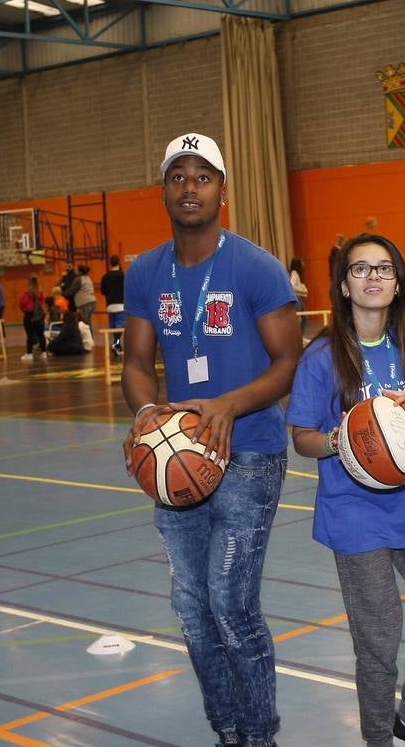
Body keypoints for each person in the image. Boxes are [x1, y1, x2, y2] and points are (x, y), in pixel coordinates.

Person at [121, 132, 302, 747]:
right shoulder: (145, 271)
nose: (190, 186)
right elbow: (137, 362)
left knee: (230, 603)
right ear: (163, 189)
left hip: (249, 450)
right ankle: (227, 729)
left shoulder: (256, 266)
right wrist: (148, 413)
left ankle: (260, 735)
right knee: (194, 614)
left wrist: (228, 404)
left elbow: (287, 363)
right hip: (180, 457)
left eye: (203, 176)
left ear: (223, 189)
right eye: (178, 176)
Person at [287, 234, 405, 747]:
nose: (373, 277)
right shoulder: (322, 355)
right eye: (360, 269)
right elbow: (302, 438)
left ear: (398, 283)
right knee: (379, 639)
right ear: (344, 285)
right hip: (354, 513)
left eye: (384, 269)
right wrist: (340, 438)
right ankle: (377, 740)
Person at [101, 255, 126, 355]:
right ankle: (116, 346)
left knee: (113, 328)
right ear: (119, 262)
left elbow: (103, 291)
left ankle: (116, 345)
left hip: (110, 305)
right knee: (119, 328)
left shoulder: (105, 277)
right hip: (121, 304)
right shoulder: (123, 276)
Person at [19, 276, 46, 361]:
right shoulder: (40, 293)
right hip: (39, 316)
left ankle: (29, 354)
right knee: (40, 334)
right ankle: (44, 352)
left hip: (29, 315)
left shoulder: (25, 294)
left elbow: (21, 305)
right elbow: (42, 303)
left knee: (30, 334)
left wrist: (26, 310)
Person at [288, 257, 309, 337]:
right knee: (301, 318)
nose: (303, 263)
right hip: (297, 298)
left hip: (299, 298)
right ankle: (299, 337)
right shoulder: (294, 273)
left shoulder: (297, 273)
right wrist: (302, 290)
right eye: (301, 261)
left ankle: (301, 336)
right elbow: (292, 285)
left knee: (304, 318)